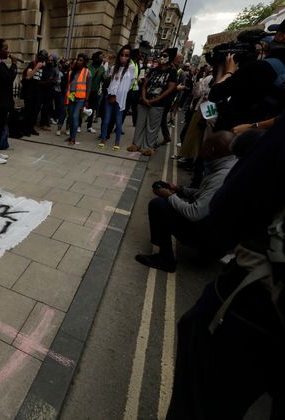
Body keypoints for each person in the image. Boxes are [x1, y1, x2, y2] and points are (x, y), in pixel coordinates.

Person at [165, 117, 285, 420]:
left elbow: (224, 214)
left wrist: (172, 198)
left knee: (197, 336)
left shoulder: (239, 167)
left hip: (259, 301)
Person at [135, 131, 236, 272]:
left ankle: (166, 259)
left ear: (212, 149)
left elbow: (194, 213)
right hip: (221, 232)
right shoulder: (230, 166)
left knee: (158, 205)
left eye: (204, 145)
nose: (201, 149)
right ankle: (206, 255)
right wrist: (179, 189)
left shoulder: (221, 176)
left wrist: (169, 196)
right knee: (177, 201)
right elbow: (206, 194)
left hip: (215, 237)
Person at [208, 19, 285, 132]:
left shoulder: (260, 67)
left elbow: (214, 94)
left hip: (233, 134)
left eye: (275, 34)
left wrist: (229, 72)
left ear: (281, 36)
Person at [127, 48, 178, 156]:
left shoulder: (172, 72)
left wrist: (155, 100)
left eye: (165, 56)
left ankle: (148, 147)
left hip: (158, 104)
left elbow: (169, 89)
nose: (161, 58)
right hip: (144, 101)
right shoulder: (154, 70)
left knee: (152, 127)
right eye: (161, 55)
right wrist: (144, 98)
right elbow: (145, 84)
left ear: (170, 58)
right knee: (140, 123)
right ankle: (136, 144)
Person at [99, 45, 135, 151]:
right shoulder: (114, 67)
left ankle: (117, 141)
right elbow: (111, 82)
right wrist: (112, 94)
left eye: (126, 55)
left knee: (119, 122)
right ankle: (103, 139)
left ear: (129, 57)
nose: (124, 57)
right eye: (122, 55)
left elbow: (129, 84)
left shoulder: (131, 68)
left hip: (121, 99)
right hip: (110, 96)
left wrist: (119, 95)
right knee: (106, 120)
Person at [64, 53, 91, 145]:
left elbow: (89, 87)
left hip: (81, 99)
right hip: (71, 98)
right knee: (70, 118)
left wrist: (86, 100)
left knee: (75, 117)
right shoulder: (72, 72)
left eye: (81, 60)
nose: (78, 62)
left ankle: (73, 139)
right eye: (78, 60)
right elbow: (68, 86)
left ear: (84, 62)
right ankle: (71, 136)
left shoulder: (87, 72)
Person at [22, 50, 48, 136]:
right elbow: (28, 76)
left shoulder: (44, 67)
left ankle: (31, 128)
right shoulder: (32, 63)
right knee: (28, 111)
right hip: (30, 92)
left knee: (35, 111)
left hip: (38, 93)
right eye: (41, 57)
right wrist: (36, 67)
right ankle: (25, 129)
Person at [85, 51, 106, 133]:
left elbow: (103, 79)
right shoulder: (88, 67)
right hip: (86, 91)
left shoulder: (102, 68)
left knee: (92, 109)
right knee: (83, 108)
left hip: (95, 91)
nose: (102, 59)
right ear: (96, 58)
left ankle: (89, 126)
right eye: (100, 57)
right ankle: (78, 125)